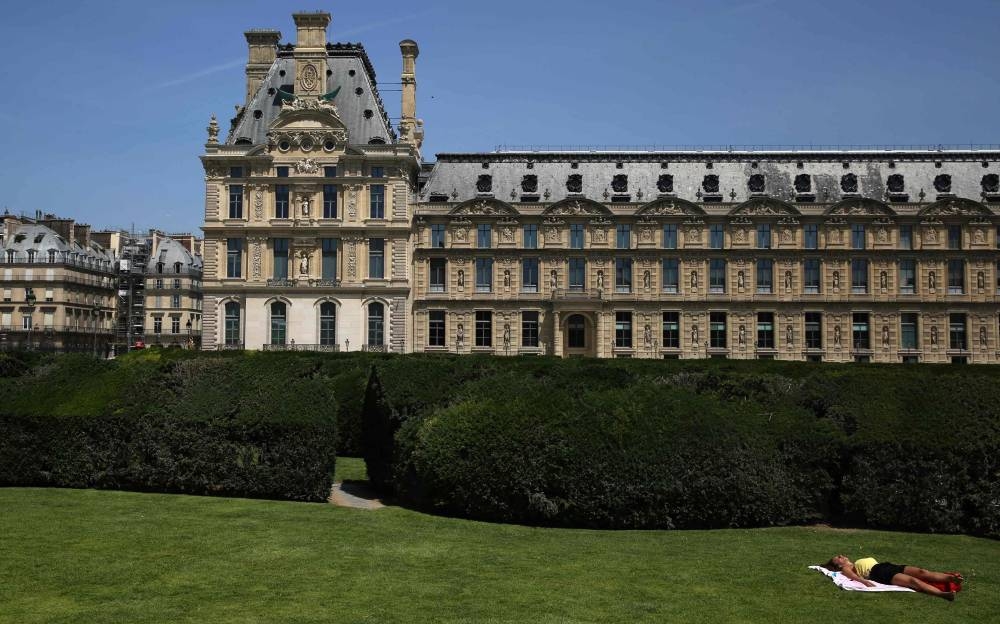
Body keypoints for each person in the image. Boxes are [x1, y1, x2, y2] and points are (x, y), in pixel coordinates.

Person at [821, 555, 962, 601]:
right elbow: (852, 576)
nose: (841, 556)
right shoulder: (846, 569)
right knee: (914, 582)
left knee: (922, 571)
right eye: (838, 558)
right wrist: (865, 581)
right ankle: (944, 595)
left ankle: (950, 579)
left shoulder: (854, 562)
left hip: (886, 566)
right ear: (838, 565)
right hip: (879, 573)